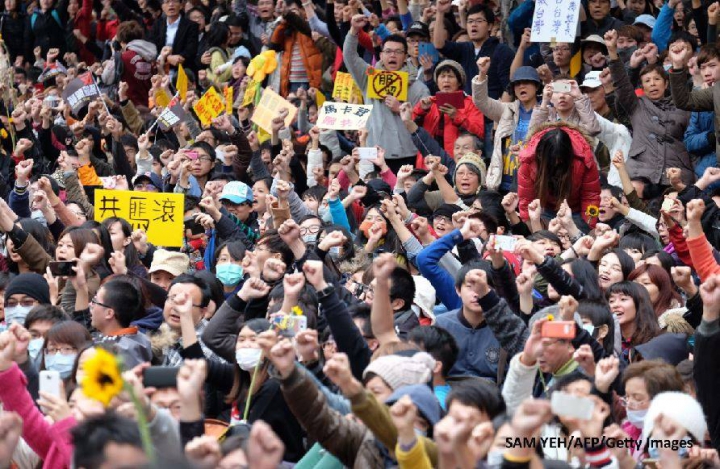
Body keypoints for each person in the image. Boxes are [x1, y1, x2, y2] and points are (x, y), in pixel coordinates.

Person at [517, 124, 601, 230]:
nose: (556, 163)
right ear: (540, 154)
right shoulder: (528, 161)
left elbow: (591, 196)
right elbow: (526, 199)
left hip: (575, 212)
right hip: (544, 210)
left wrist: (588, 226)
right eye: (551, 160)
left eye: (560, 160)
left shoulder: (584, 159)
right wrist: (531, 226)